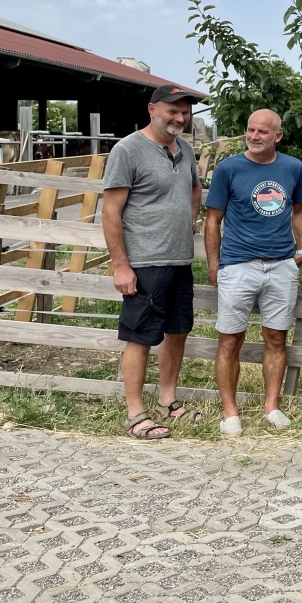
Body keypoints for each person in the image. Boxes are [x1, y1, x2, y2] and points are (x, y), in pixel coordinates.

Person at [103, 84, 203, 440]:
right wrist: (121, 265)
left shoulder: (186, 149)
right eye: (172, 111)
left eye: (184, 112)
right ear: (151, 109)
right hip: (145, 261)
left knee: (177, 332)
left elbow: (194, 187)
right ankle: (135, 413)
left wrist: (192, 217)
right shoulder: (128, 150)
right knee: (140, 336)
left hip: (179, 259)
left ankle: (168, 401)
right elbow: (111, 211)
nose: (179, 117)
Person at [206, 109, 302, 436]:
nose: (254, 136)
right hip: (238, 265)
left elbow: (300, 210)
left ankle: (271, 407)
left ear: (277, 136)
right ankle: (230, 412)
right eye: (250, 130)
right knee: (230, 339)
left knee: (276, 338)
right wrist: (214, 264)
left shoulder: (293, 167)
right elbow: (212, 220)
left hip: (280, 266)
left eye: (262, 132)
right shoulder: (229, 169)